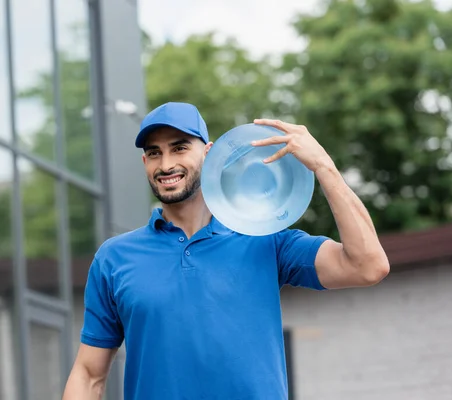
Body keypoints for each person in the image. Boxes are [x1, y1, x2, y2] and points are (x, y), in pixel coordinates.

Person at [62, 102, 390, 400]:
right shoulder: (114, 258)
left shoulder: (265, 239)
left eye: (179, 148)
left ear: (209, 152)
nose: (166, 164)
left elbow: (367, 266)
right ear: (144, 160)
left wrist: (324, 167)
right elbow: (89, 374)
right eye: (154, 153)